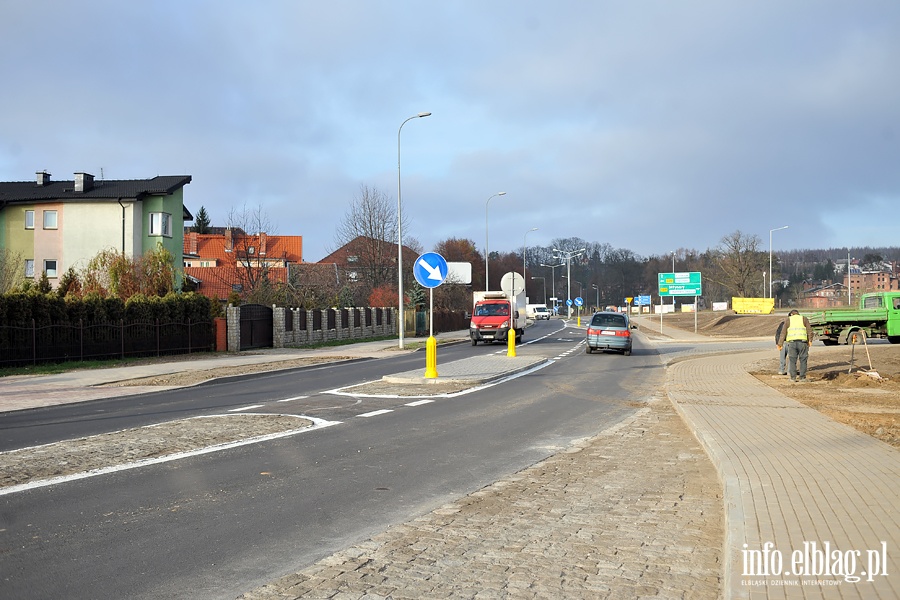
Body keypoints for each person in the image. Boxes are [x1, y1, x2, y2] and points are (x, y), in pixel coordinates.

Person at [776, 309, 814, 382]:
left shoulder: (788, 320)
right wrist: (810, 340)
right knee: (803, 360)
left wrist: (780, 344)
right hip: (803, 343)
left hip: (792, 343)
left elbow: (783, 333)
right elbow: (810, 331)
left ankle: (793, 378)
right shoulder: (804, 319)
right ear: (798, 314)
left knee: (792, 360)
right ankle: (802, 378)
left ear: (792, 314)